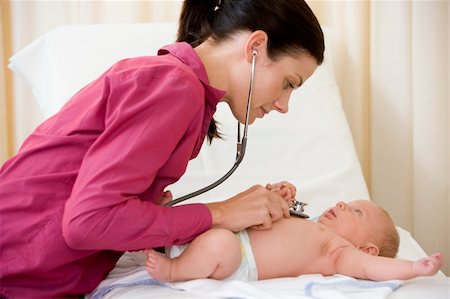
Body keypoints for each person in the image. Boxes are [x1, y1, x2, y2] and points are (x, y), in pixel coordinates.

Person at [0, 0, 324, 297]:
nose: (284, 105)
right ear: (255, 47)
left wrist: (154, 213)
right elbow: (88, 222)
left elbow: (98, 210)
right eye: (288, 83)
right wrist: (223, 212)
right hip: (15, 272)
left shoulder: (182, 90)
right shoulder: (173, 86)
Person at [146, 182, 444, 282]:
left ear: (366, 248)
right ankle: (159, 221)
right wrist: (279, 193)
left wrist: (414, 267)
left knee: (220, 242)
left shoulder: (338, 252)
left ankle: (174, 269)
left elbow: (372, 268)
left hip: (237, 257)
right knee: (210, 220)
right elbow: (262, 211)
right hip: (232, 230)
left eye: (355, 211)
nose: (341, 204)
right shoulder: (309, 220)